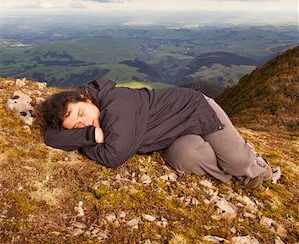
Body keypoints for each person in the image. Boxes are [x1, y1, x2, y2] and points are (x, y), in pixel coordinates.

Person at [42, 78, 272, 188]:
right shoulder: (95, 119)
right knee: (185, 159)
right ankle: (234, 170)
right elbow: (50, 137)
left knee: (239, 161)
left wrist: (89, 138)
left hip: (194, 111)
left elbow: (113, 156)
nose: (85, 122)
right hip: (173, 137)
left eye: (81, 113)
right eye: (77, 126)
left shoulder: (117, 104)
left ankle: (252, 161)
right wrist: (91, 136)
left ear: (85, 97)